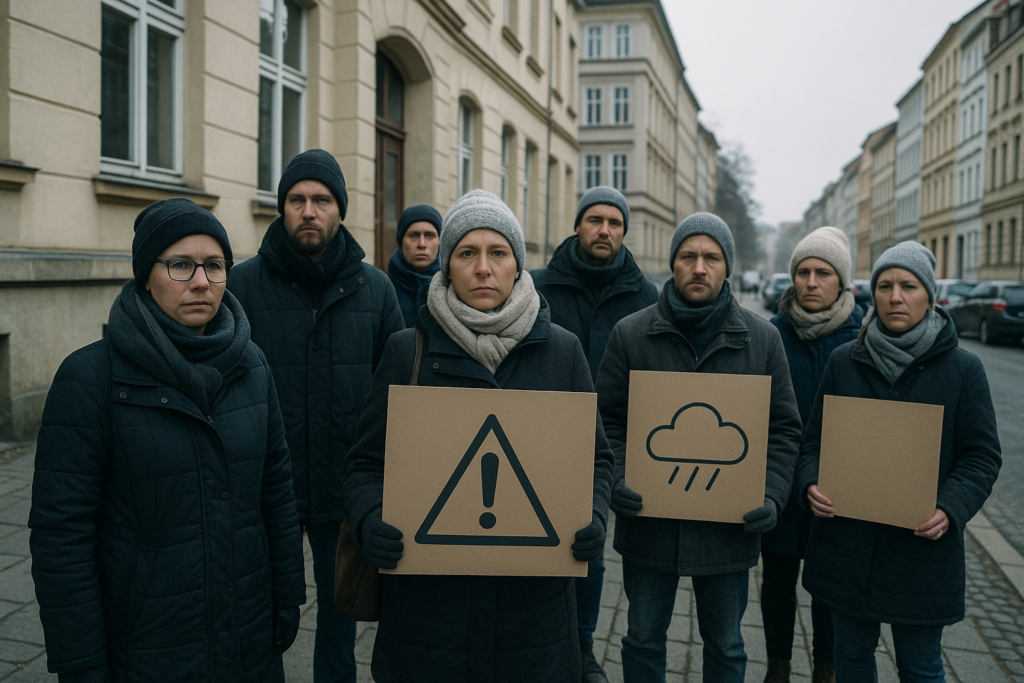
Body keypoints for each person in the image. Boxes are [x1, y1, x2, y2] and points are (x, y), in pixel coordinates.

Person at [29, 198, 306, 683]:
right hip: (146, 647)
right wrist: (80, 660)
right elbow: (61, 537)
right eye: (180, 264)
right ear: (145, 275)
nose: (201, 281)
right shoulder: (90, 377)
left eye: (215, 266)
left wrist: (286, 598)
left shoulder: (252, 365)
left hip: (249, 637)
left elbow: (276, 494)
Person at [343, 189, 615, 683]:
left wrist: (593, 514)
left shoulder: (563, 352)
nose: (483, 268)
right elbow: (364, 463)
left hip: (533, 621)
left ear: (517, 265)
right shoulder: (408, 352)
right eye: (467, 253)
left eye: (498, 253)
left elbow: (596, 460)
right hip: (429, 618)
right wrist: (369, 521)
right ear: (447, 266)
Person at [596, 212, 802, 683]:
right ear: (673, 263)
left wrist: (770, 495)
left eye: (711, 257)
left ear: (727, 266)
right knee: (642, 637)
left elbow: (784, 429)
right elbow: (605, 417)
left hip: (728, 530)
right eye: (688, 256)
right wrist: (620, 477)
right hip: (649, 524)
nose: (699, 267)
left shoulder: (763, 339)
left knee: (727, 645)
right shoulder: (631, 334)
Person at [228, 149, 404, 683]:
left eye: (321, 200)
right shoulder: (241, 284)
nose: (309, 210)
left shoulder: (375, 289)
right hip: (263, 485)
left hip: (341, 484)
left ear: (340, 210)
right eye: (297, 199)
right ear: (281, 209)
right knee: (260, 610)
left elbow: (397, 389)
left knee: (339, 612)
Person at [795, 241, 1001, 683]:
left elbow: (981, 457)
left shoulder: (963, 370)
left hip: (921, 551)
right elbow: (813, 443)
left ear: (929, 294)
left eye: (908, 285)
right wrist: (810, 481)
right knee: (850, 657)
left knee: (920, 666)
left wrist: (950, 507)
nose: (895, 296)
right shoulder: (844, 361)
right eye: (885, 285)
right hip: (847, 547)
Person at [531, 185, 657, 682]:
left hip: (603, 447)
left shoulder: (645, 295)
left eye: (615, 223)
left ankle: (581, 647)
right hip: (537, 439)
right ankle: (540, 640)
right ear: (578, 224)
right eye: (594, 220)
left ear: (624, 231)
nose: (604, 230)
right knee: (534, 542)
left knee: (590, 551)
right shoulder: (540, 285)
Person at [760, 226, 863, 683]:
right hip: (780, 483)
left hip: (837, 490)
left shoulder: (862, 339)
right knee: (777, 582)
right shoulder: (769, 335)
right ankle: (777, 666)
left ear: (841, 281)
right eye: (803, 271)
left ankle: (826, 668)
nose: (811, 282)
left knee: (829, 589)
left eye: (823, 272)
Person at [389, 204, 443, 327]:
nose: (422, 244)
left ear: (440, 242)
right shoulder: (383, 289)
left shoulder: (453, 288)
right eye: (414, 235)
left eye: (430, 235)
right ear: (401, 241)